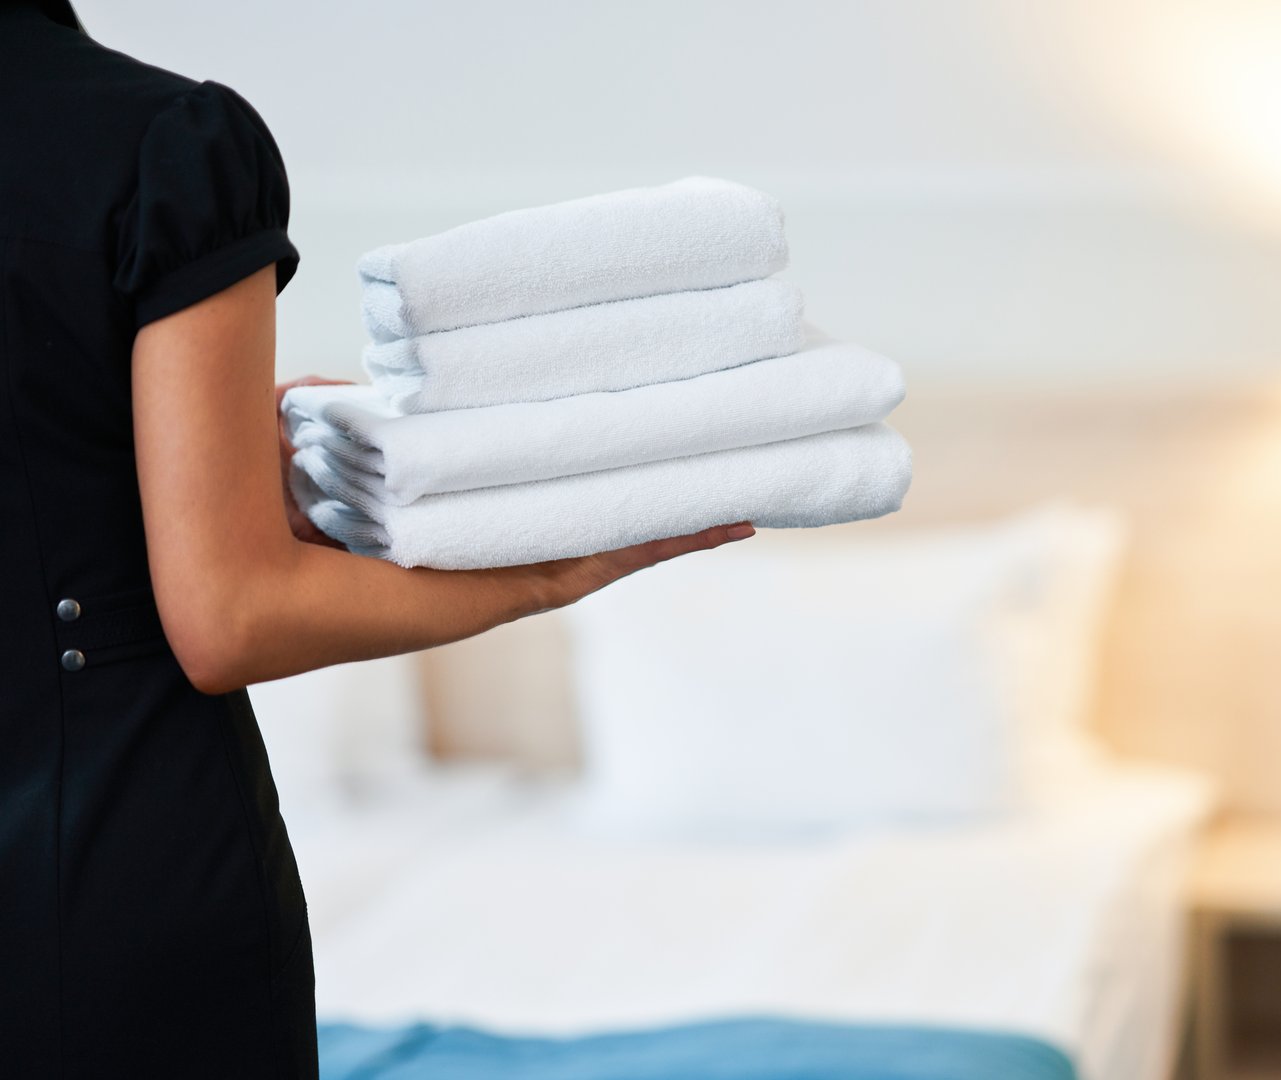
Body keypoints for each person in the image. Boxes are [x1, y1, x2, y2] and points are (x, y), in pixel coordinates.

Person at [0, 2, 754, 1074]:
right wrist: (546, 571)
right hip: (107, 890)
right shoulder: (155, 147)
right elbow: (228, 619)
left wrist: (192, 471)